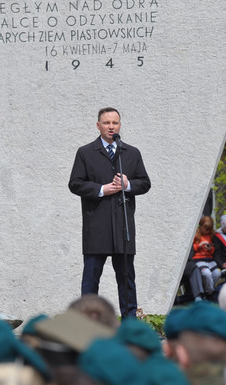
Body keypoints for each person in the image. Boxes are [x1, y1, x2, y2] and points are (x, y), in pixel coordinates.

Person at [68, 107, 151, 318]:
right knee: (91, 279)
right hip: (97, 226)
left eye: (115, 123)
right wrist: (102, 189)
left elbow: (145, 183)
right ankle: (85, 324)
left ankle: (129, 323)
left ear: (120, 125)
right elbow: (75, 184)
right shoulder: (86, 152)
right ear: (98, 126)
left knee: (126, 279)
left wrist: (128, 184)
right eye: (106, 123)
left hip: (123, 227)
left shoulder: (131, 153)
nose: (111, 127)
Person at [191, 216, 221, 299]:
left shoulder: (211, 235)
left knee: (217, 273)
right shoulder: (195, 234)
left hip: (209, 259)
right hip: (198, 258)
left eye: (209, 229)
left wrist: (210, 249)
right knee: (206, 273)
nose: (207, 231)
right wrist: (199, 245)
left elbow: (213, 249)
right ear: (201, 226)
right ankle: (210, 293)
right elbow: (191, 248)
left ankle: (208, 291)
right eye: (206, 229)